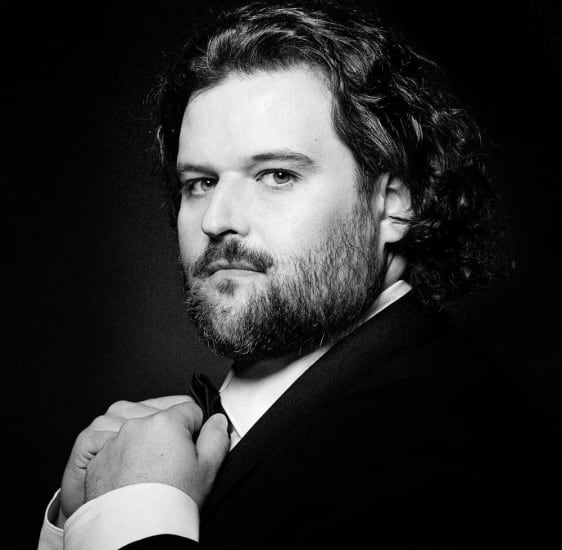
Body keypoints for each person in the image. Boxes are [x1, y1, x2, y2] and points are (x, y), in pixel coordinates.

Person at [37, 1, 536, 548]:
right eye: (201, 182)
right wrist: (84, 515)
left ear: (393, 203)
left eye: (277, 175)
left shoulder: (443, 448)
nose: (217, 220)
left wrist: (133, 511)